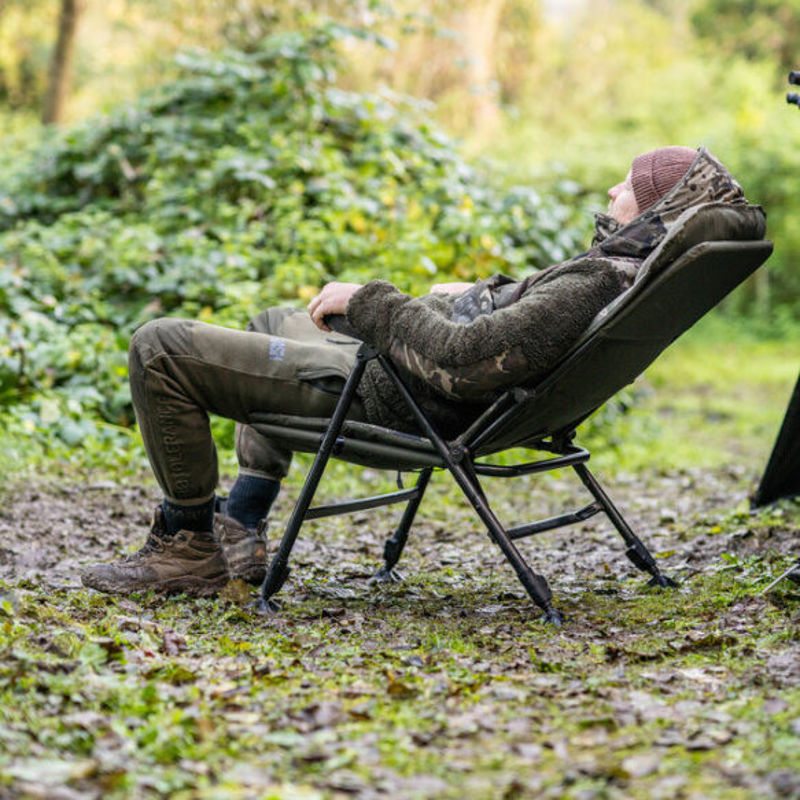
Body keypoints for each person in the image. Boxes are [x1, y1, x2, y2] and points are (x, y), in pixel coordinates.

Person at [80, 145, 757, 596]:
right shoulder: (625, 274)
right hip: (415, 381)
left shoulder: (593, 284)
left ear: (659, 208)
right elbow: (501, 335)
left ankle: (188, 543)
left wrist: (371, 299)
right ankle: (244, 525)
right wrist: (460, 300)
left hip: (395, 392)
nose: (613, 188)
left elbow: (463, 362)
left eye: (629, 185)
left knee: (161, 347)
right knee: (271, 321)